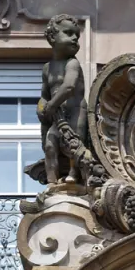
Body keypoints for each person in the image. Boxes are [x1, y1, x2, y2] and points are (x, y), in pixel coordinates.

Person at [38, 13, 87, 184]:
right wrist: (42, 108)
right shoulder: (47, 68)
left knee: (75, 145)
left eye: (77, 36)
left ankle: (74, 173)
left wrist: (51, 104)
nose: (75, 38)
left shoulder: (72, 63)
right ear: (52, 37)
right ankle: (52, 181)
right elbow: (44, 95)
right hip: (57, 116)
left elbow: (69, 87)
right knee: (50, 146)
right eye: (68, 33)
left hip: (75, 112)